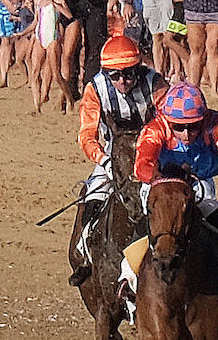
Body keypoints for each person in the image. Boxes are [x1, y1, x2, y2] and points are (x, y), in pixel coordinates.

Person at [132, 82, 218, 285]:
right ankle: (126, 280)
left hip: (198, 184)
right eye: (179, 127)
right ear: (168, 121)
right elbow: (142, 164)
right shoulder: (156, 128)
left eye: (193, 126)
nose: (186, 134)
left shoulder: (213, 124)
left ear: (202, 120)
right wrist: (161, 181)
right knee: (141, 227)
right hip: (161, 185)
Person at [69, 35, 167, 287]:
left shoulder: (155, 83)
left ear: (139, 68)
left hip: (156, 155)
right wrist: (105, 163)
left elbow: (169, 122)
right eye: (115, 76)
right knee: (93, 195)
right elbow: (86, 136)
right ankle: (85, 253)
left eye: (129, 74)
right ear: (105, 73)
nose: (123, 81)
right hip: (113, 157)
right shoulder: (94, 89)